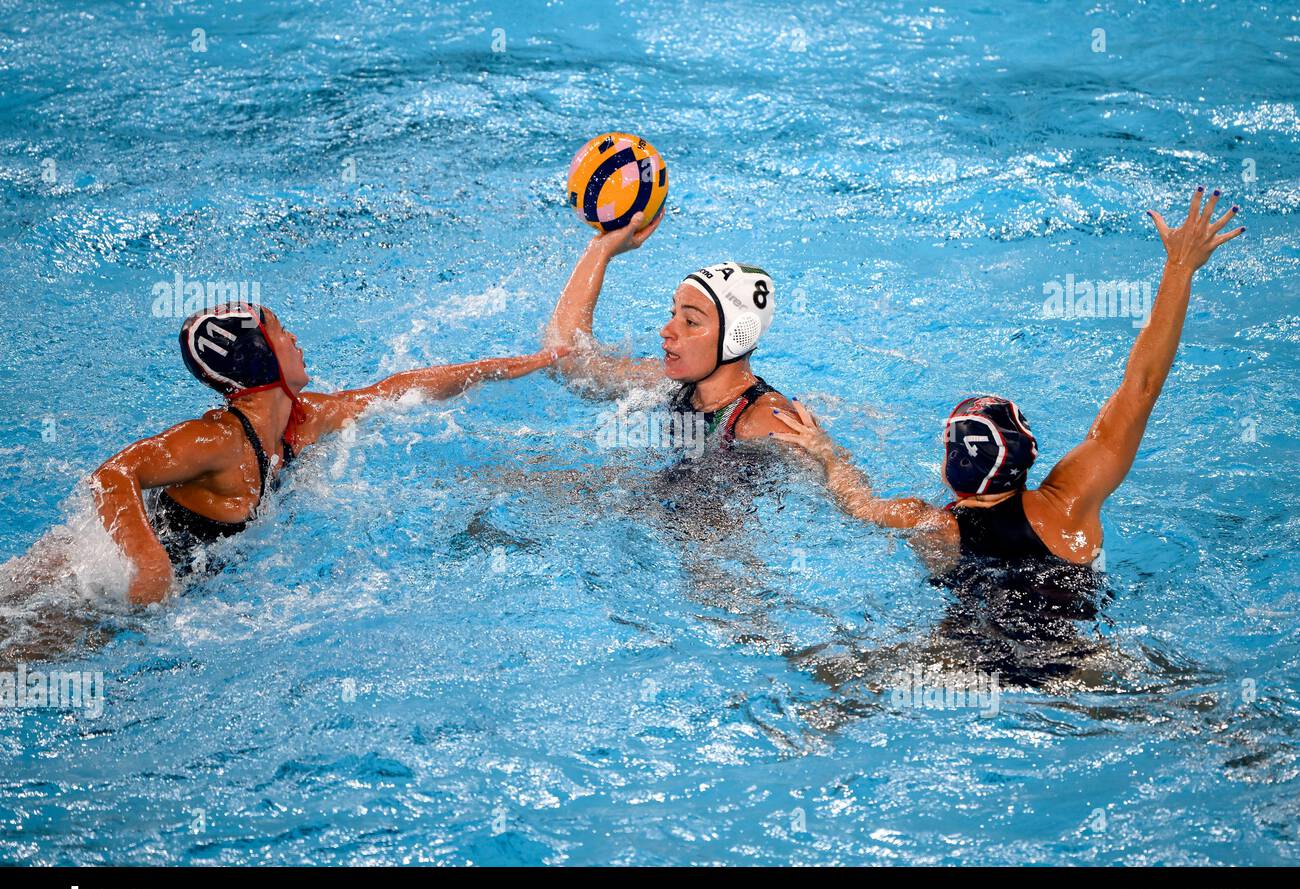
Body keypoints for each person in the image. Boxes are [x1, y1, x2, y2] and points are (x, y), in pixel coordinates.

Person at [772, 186, 1244, 577]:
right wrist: (1179, 268)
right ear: (1027, 455)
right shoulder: (1070, 502)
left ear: (950, 471)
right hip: (1076, 668)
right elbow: (1141, 386)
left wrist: (827, 452)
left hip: (963, 665)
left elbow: (855, 502)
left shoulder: (933, 525)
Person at [90, 301, 565, 605]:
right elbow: (112, 474)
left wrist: (517, 364)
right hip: (83, 588)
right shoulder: (219, 439)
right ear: (258, 356)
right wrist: (148, 563)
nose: (294, 339)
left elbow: (395, 390)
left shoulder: (302, 420)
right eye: (280, 331)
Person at [542, 210, 799, 454]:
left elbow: (835, 479)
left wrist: (826, 457)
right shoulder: (669, 384)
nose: (666, 331)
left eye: (691, 321)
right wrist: (600, 250)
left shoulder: (766, 420)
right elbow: (566, 362)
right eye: (673, 314)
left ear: (737, 336)